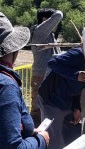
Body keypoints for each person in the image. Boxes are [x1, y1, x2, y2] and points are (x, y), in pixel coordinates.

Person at [0, 12, 50, 148]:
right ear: (12, 50)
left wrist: (27, 130)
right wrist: (41, 140)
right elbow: (13, 147)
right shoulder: (6, 86)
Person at [38, 46, 85, 149]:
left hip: (67, 102)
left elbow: (79, 87)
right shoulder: (78, 54)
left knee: (71, 138)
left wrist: (77, 108)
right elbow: (52, 62)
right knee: (52, 139)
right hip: (51, 99)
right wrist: (75, 75)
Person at [30, 8, 63, 126]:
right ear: (45, 20)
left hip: (47, 75)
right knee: (37, 110)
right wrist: (55, 12)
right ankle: (32, 137)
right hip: (41, 76)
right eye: (50, 20)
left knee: (46, 109)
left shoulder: (49, 36)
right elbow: (59, 15)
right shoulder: (39, 32)